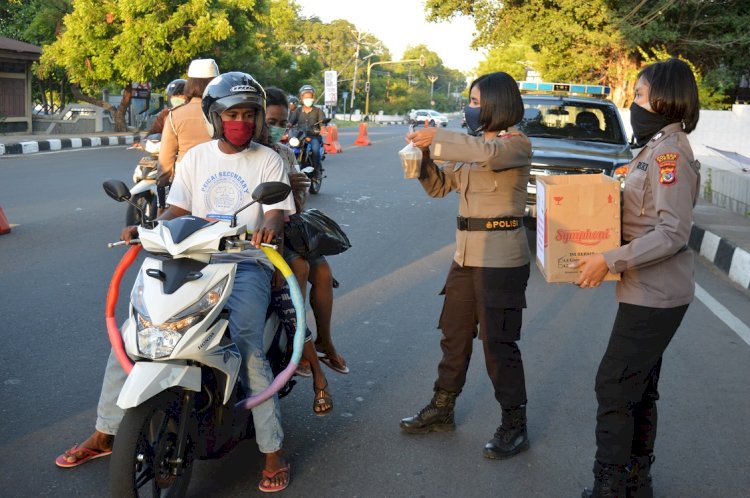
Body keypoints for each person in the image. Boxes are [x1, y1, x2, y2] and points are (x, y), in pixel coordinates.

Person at [57, 72, 295, 493]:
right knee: (136, 336)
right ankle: (106, 432)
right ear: (215, 117)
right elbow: (176, 210)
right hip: (189, 257)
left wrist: (270, 228)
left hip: (244, 264)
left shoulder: (268, 159)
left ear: (259, 119)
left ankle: (271, 448)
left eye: (248, 114)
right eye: (232, 114)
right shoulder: (196, 158)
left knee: (245, 344)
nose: (241, 121)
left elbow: (275, 210)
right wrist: (143, 226)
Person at [573, 58, 701, 498]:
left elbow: (672, 232)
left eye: (641, 95)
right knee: (639, 386)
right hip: (648, 289)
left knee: (614, 385)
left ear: (665, 99)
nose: (634, 103)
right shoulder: (653, 148)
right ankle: (635, 482)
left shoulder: (669, 154)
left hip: (656, 293)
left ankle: (609, 487)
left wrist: (609, 259)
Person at [399, 72, 533, 460]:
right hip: (465, 257)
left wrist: (436, 138)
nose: (469, 107)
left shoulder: (516, 144)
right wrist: (424, 158)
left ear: (497, 104)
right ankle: (442, 409)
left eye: (476, 101)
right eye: (469, 100)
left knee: (498, 344)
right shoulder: (471, 148)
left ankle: (514, 423)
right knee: (454, 334)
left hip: (501, 261)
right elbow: (441, 187)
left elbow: (488, 156)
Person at [263, 86, 337, 415]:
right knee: (302, 271)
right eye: (269, 121)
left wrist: (298, 190)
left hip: (287, 231)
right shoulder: (229, 154)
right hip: (255, 238)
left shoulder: (283, 154)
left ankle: (323, 342)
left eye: (280, 122)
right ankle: (309, 358)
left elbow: (293, 209)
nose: (275, 128)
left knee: (321, 269)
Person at [156, 58, 219, 215]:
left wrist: (162, 201)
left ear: (190, 84)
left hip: (184, 187)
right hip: (219, 181)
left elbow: (165, 164)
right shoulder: (224, 112)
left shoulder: (175, 115)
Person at [288, 84, 326, 177]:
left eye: (310, 97)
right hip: (299, 136)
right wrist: (285, 125)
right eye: (305, 97)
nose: (307, 99)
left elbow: (322, 123)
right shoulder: (298, 111)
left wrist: (323, 128)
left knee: (315, 150)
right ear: (301, 98)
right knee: (289, 149)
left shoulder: (318, 111)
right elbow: (291, 122)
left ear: (313, 98)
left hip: (314, 137)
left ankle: (316, 171)